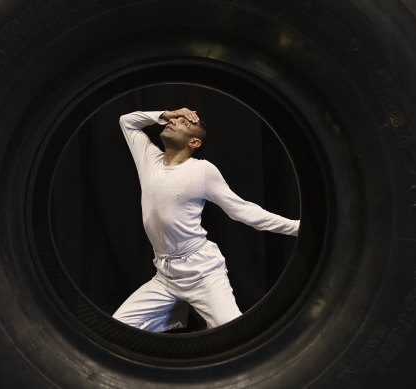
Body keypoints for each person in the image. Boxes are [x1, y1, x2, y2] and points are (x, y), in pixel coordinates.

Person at [113, 108, 299, 332]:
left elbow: (244, 211)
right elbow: (127, 121)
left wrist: (297, 228)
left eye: (184, 123)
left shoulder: (202, 170)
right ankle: (192, 326)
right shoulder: (149, 159)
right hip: (165, 276)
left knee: (235, 334)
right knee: (117, 330)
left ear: (194, 143)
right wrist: (167, 113)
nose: (174, 122)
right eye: (175, 120)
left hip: (202, 272)